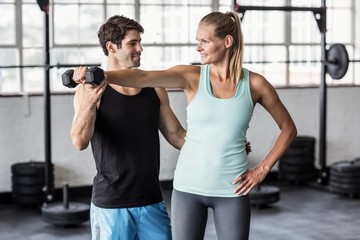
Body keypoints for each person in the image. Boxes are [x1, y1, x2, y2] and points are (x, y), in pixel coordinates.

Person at [96, 11, 298, 240]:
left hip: (232, 189)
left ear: (227, 42)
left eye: (205, 41)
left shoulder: (255, 84)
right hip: (188, 187)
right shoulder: (190, 76)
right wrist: (97, 75)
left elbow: (288, 128)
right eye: (197, 41)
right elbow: (142, 78)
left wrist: (262, 170)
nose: (198, 48)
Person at [70, 15, 186, 240]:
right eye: (133, 43)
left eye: (140, 42)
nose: (140, 48)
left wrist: (219, 147)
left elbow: (177, 135)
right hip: (112, 204)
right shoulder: (88, 90)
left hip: (151, 200)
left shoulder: (154, 87)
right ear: (111, 47)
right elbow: (79, 141)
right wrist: (90, 103)